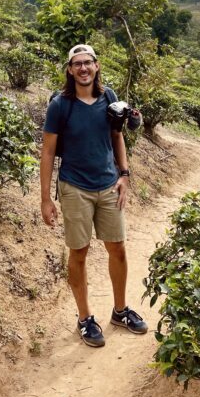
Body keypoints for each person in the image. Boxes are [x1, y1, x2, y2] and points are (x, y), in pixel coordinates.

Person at [40, 43, 148, 347]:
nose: (84, 68)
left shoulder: (109, 97)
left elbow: (117, 136)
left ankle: (120, 311)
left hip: (108, 184)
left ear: (97, 66)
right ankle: (85, 318)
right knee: (80, 252)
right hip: (74, 186)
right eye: (77, 64)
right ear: (70, 70)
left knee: (118, 249)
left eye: (88, 63)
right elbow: (48, 152)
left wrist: (124, 174)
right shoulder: (60, 105)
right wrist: (46, 198)